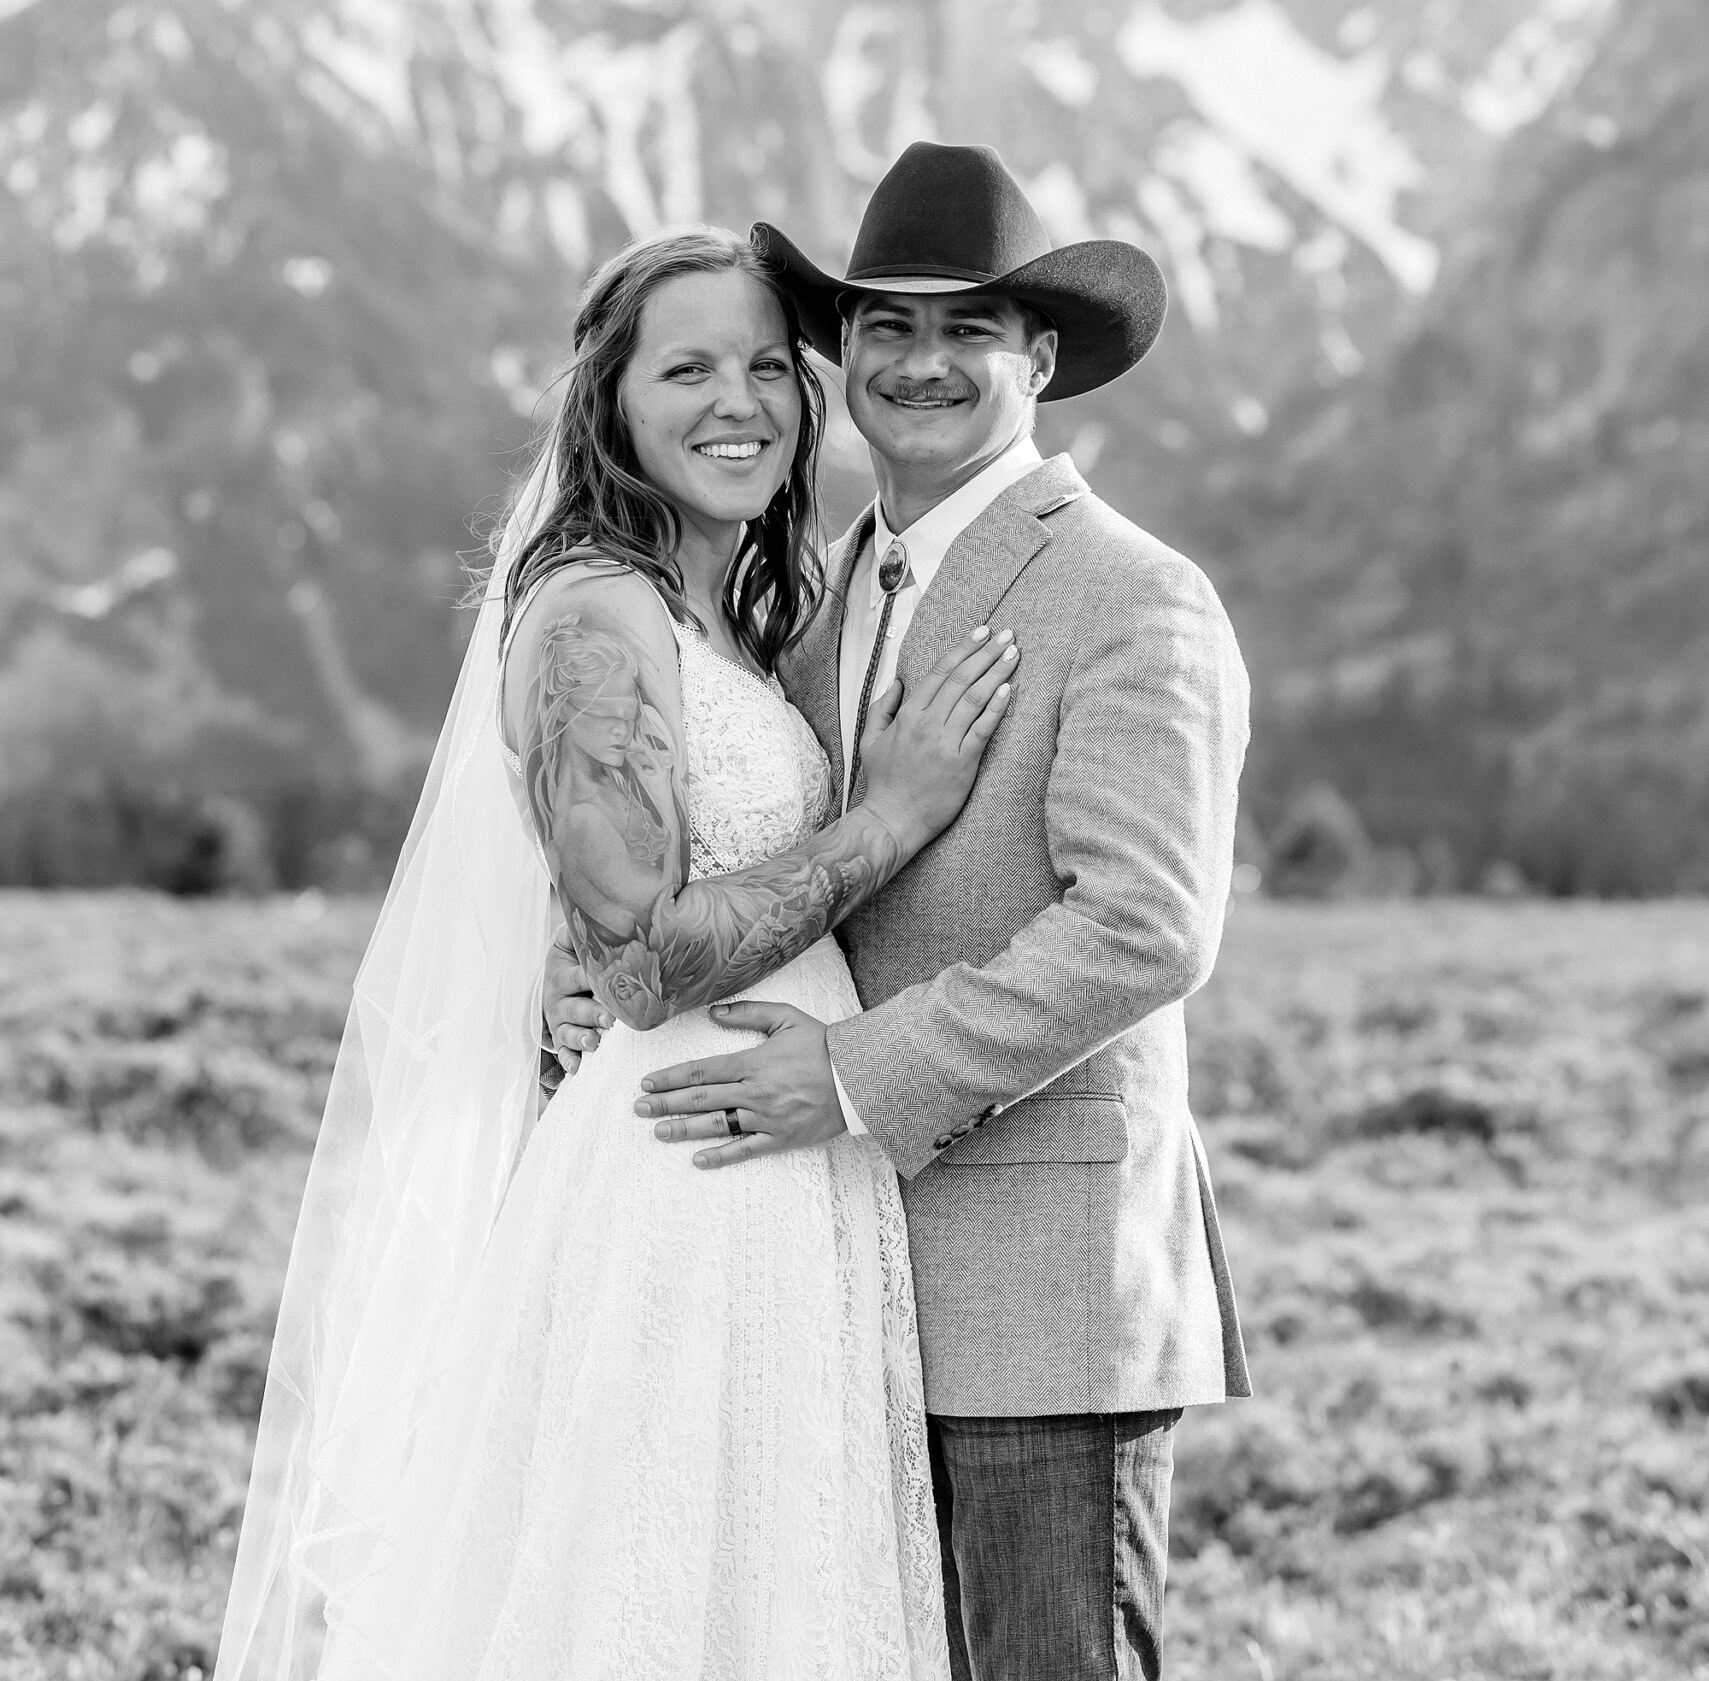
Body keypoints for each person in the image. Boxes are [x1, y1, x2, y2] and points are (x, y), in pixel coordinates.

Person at [216, 226, 1021, 1681]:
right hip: (678, 1176)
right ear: (615, 402)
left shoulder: (723, 613)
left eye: (766, 366)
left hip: (781, 1171)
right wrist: (892, 816)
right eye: (688, 369)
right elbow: (643, 960)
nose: (739, 402)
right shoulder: (595, 608)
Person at [549, 144, 1252, 1680]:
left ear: (1038, 358)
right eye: (887, 325)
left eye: (967, 328)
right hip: (807, 1274)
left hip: (1034, 1285)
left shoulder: (1131, 595)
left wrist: (857, 1074)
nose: (920, 362)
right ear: (843, 353)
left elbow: (1143, 926)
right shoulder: (809, 595)